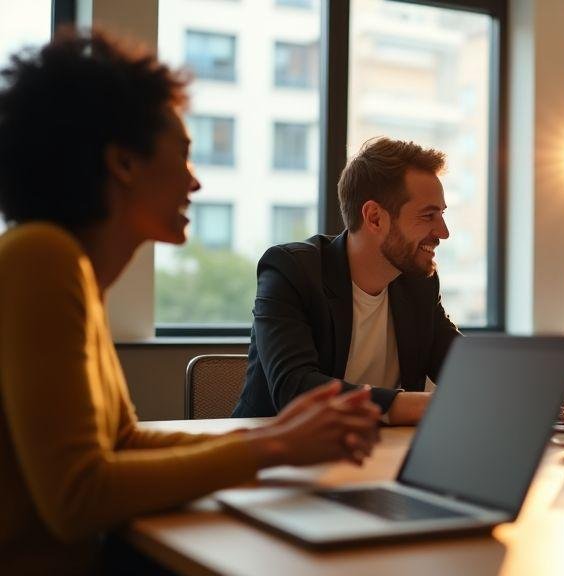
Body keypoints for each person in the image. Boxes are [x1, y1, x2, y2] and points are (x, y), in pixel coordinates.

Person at [0, 30, 381, 572]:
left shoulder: (72, 270)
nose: (195, 182)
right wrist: (271, 448)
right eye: (182, 155)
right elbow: (78, 495)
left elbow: (122, 442)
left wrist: (279, 434)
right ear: (123, 163)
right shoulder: (41, 257)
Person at [232, 137, 459, 425]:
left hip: (378, 446)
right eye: (428, 215)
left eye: (442, 214)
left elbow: (461, 368)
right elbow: (295, 389)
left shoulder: (418, 282)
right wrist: (412, 405)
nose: (443, 232)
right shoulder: (292, 270)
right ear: (374, 218)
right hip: (272, 445)